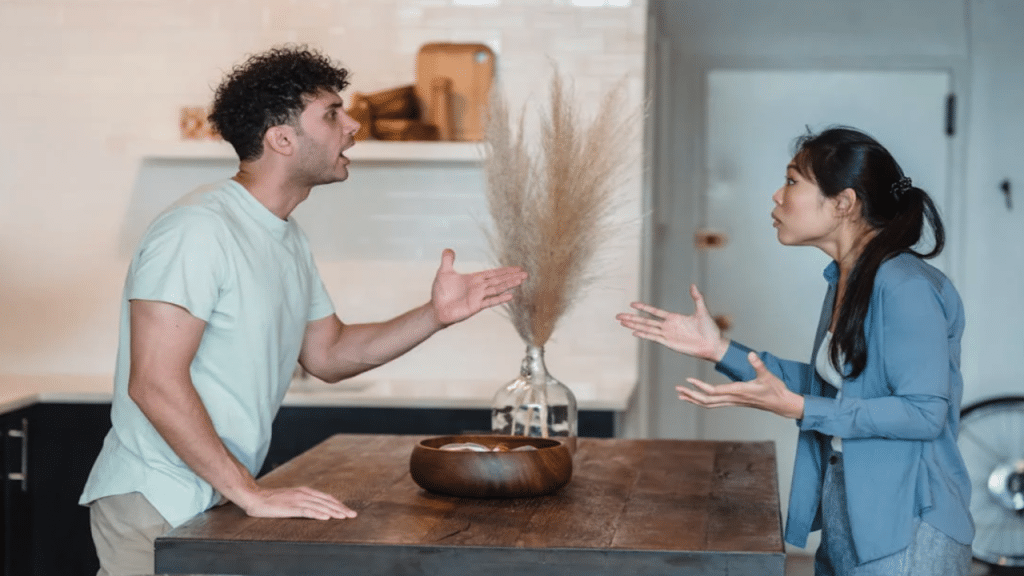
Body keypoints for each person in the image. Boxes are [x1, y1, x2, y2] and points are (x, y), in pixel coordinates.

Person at [80, 45, 527, 576]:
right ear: (282, 139)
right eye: (333, 114)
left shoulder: (285, 237)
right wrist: (249, 492)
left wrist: (434, 314)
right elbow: (153, 381)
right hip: (155, 498)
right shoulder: (197, 229)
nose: (354, 125)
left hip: (214, 495)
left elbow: (330, 354)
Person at [617, 126, 974, 575]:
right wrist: (719, 349)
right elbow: (835, 391)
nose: (776, 196)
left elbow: (923, 414)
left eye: (791, 181)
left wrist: (801, 408)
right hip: (850, 507)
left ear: (843, 203)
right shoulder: (847, 278)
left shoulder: (905, 287)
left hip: (908, 521)